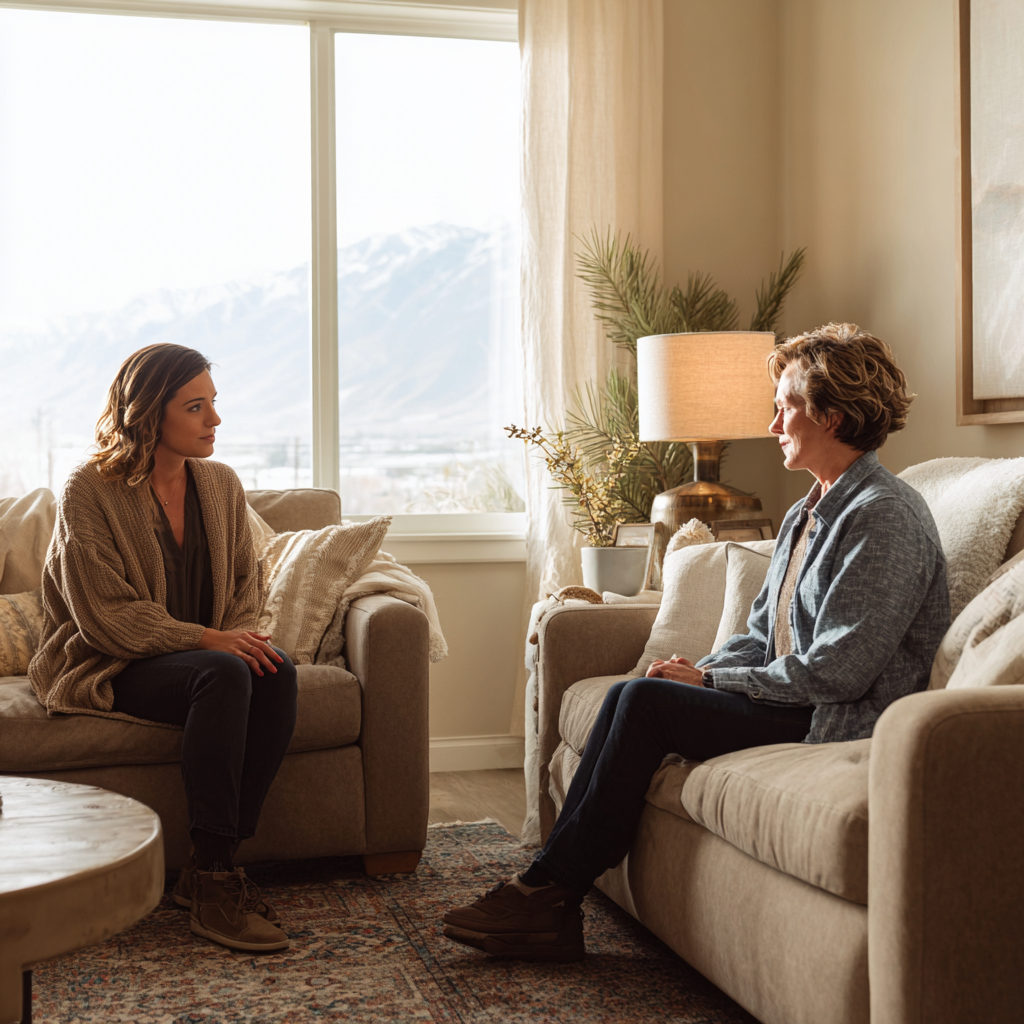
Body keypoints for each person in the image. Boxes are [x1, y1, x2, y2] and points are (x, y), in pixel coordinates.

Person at [442, 322, 950, 963]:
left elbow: (841, 670)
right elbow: (762, 634)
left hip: (835, 716)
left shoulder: (884, 516)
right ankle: (548, 891)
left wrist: (709, 685)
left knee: (645, 704)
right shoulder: (806, 514)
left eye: (785, 406)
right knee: (646, 689)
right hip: (794, 696)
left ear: (832, 415)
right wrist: (699, 668)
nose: (772, 424)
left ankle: (547, 892)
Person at [29, 343, 298, 953]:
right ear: (151, 413)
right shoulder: (88, 490)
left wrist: (233, 640)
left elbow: (244, 590)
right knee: (223, 674)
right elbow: (105, 618)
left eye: (214, 404)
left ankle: (211, 868)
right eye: (196, 407)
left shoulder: (221, 484)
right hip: (111, 661)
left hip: (198, 663)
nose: (214, 421)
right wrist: (211, 641)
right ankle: (214, 878)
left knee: (276, 672)